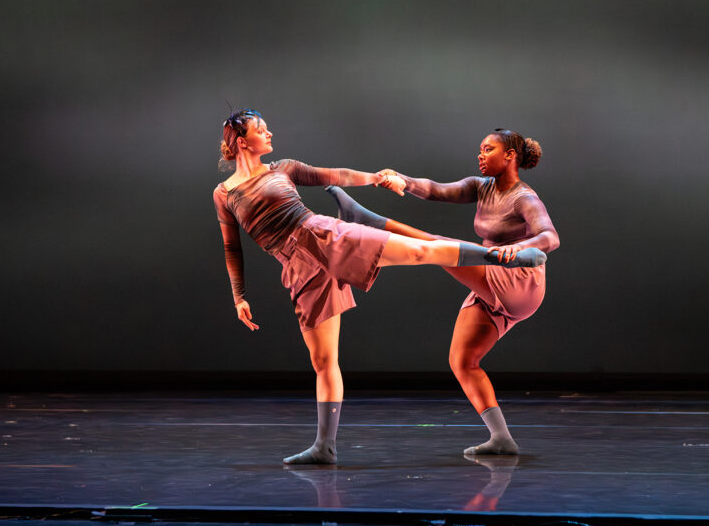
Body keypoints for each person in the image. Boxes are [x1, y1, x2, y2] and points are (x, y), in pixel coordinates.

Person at [213, 111, 546, 465]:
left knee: (422, 251)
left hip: (322, 235)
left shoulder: (283, 168)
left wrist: (375, 178)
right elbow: (231, 246)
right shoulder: (224, 194)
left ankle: (502, 259)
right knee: (323, 360)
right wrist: (239, 296)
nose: (269, 133)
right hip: (296, 266)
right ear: (240, 141)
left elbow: (334, 175)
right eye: (260, 130)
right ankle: (325, 446)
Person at [326, 128, 559, 455]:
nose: (480, 155)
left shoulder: (525, 198)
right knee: (463, 360)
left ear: (510, 156)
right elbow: (436, 190)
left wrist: (519, 248)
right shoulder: (481, 187)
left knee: (440, 248)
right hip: (490, 273)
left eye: (488, 149)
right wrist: (403, 181)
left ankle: (369, 222)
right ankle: (502, 439)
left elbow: (550, 238)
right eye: (479, 149)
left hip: (518, 281)